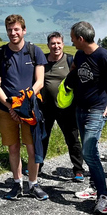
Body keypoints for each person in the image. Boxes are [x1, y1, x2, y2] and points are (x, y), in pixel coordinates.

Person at [70, 21, 107, 215]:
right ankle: (94, 187)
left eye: (72, 37)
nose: (71, 41)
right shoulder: (79, 55)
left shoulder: (104, 56)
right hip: (80, 109)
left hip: (96, 110)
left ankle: (103, 196)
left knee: (88, 151)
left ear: (80, 38)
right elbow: (74, 75)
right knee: (91, 150)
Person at [0, 14, 49, 201]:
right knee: (13, 148)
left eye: (16, 29)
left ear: (24, 30)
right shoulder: (0, 54)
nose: (13, 33)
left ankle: (33, 184)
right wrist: (11, 107)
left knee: (32, 148)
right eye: (9, 30)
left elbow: (40, 81)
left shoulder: (34, 51)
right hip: (7, 109)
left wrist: (24, 103)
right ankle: (17, 184)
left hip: (29, 108)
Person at [40, 32, 85, 181]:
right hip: (45, 108)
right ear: (48, 45)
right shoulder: (42, 61)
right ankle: (37, 166)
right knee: (42, 138)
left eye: (58, 43)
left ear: (63, 44)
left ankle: (78, 170)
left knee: (72, 138)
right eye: (53, 43)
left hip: (67, 109)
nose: (56, 46)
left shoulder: (70, 60)